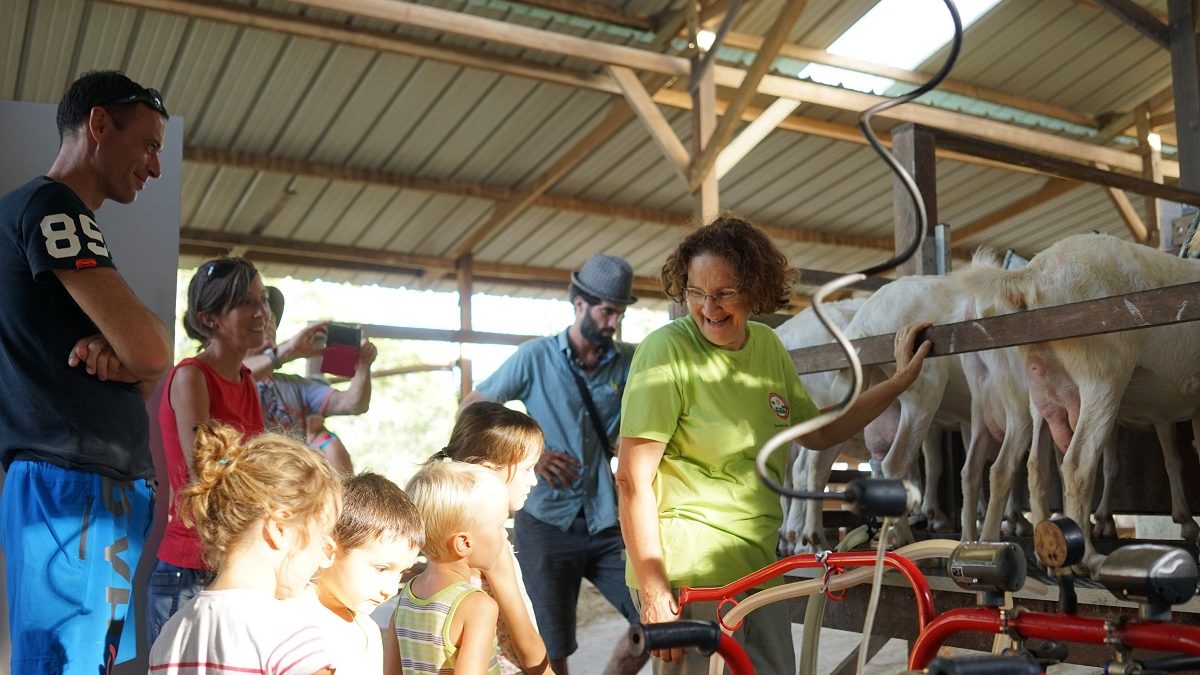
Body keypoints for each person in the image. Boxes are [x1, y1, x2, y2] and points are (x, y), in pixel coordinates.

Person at [616, 216, 933, 674]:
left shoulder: (766, 346)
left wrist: (900, 382)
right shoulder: (666, 353)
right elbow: (631, 479)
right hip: (689, 574)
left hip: (759, 566)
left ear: (754, 288)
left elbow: (821, 432)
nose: (709, 307)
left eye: (724, 292)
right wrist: (653, 589)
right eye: (696, 292)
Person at [0, 70, 172, 674]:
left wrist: (128, 350)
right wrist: (136, 350)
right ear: (99, 125)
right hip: (73, 485)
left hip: (90, 485)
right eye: (148, 145)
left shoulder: (64, 219)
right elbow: (154, 353)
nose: (154, 167)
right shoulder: (52, 207)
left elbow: (146, 363)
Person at [461, 253, 649, 675]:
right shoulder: (535, 357)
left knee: (655, 617)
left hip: (607, 519)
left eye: (619, 313)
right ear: (579, 303)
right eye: (606, 311)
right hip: (545, 521)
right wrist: (529, 454)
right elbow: (472, 410)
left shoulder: (630, 361)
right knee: (548, 644)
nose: (613, 322)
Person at [148, 422, 342, 674]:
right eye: (323, 533)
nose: (326, 556)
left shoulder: (172, 632)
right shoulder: (288, 631)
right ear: (279, 529)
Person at [147, 256, 270, 643]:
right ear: (210, 318)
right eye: (245, 303)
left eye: (262, 299)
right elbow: (207, 475)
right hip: (190, 567)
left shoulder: (246, 379)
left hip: (231, 563)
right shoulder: (191, 377)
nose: (261, 312)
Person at [432, 401, 550, 674]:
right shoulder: (491, 544)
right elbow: (524, 637)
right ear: (487, 470)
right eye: (526, 469)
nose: (533, 480)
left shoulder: (449, 530)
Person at [387, 461, 511, 675]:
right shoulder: (478, 606)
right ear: (464, 543)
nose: (505, 534)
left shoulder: (405, 598)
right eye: (499, 526)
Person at [246, 285, 376, 473]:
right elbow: (237, 375)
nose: (267, 325)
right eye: (261, 320)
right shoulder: (224, 379)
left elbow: (354, 404)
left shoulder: (294, 385)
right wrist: (288, 351)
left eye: (271, 320)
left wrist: (364, 365)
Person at [308, 472, 424, 675]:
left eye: (401, 573)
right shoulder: (292, 621)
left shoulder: (368, 629)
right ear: (327, 552)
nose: (390, 590)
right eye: (380, 569)